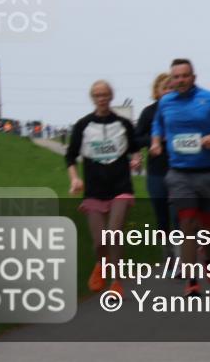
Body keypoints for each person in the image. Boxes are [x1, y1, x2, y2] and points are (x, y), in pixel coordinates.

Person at [150, 58, 210, 295]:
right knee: (187, 224)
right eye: (176, 77)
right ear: (172, 79)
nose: (180, 80)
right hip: (179, 174)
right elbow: (157, 125)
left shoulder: (209, 98)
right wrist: (156, 141)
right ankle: (191, 282)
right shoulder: (166, 102)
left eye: (184, 76)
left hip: (209, 173)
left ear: (193, 77)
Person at [66, 80, 142, 297]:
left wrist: (136, 160)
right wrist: (74, 179)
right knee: (100, 241)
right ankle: (101, 264)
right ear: (92, 98)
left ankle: (116, 282)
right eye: (97, 95)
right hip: (94, 189)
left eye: (105, 94)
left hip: (121, 186)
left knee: (114, 233)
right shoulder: (83, 126)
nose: (101, 98)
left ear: (111, 97)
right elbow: (70, 156)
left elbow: (135, 149)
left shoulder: (123, 124)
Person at [136, 73, 176, 261]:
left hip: (180, 169)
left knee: (178, 214)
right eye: (165, 87)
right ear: (157, 91)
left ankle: (181, 257)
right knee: (162, 216)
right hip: (157, 171)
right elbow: (136, 139)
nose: (169, 90)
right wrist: (154, 140)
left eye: (172, 87)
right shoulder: (149, 112)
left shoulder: (181, 109)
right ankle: (167, 254)